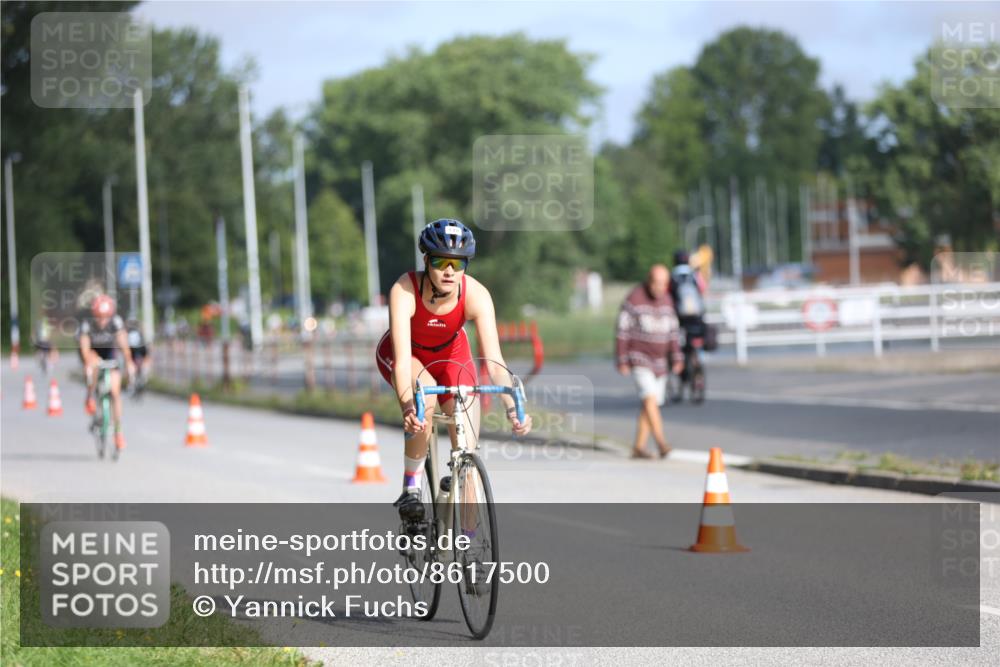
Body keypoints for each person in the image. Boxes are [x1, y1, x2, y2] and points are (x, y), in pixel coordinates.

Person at [376, 219, 532, 521]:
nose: (449, 271)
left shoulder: (476, 294)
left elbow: (495, 362)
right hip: (407, 354)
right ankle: (411, 488)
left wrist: (513, 408)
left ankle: (467, 539)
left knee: (467, 446)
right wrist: (408, 406)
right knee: (425, 400)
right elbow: (403, 361)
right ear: (426, 261)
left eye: (457, 263)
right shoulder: (404, 289)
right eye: (440, 262)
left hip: (451, 354)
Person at [615, 264, 684, 459]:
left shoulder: (667, 300)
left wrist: (677, 357)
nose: (660, 288)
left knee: (650, 404)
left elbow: (673, 332)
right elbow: (622, 330)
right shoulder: (634, 299)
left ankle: (638, 447)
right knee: (650, 399)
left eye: (664, 284)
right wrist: (622, 359)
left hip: (660, 361)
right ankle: (662, 443)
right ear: (649, 281)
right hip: (639, 357)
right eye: (656, 283)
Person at [78, 295, 135, 451]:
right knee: (92, 364)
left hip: (109, 353)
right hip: (93, 352)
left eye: (105, 317)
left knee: (115, 392)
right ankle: (90, 395)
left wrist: (129, 362)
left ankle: (118, 431)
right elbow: (84, 348)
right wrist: (88, 363)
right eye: (99, 317)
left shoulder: (116, 322)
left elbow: (124, 345)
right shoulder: (87, 324)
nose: (102, 320)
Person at [669, 250, 708, 367]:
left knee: (676, 336)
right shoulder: (694, 275)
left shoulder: (672, 276)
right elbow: (702, 289)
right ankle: (699, 359)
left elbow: (667, 294)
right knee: (697, 335)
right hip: (696, 313)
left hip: (679, 314)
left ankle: (678, 359)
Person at [126, 318, 152, 388]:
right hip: (141, 348)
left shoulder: (128, 331)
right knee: (146, 360)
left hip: (134, 349)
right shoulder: (140, 331)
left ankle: (131, 382)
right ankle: (144, 376)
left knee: (129, 362)